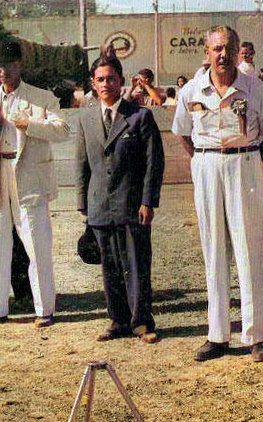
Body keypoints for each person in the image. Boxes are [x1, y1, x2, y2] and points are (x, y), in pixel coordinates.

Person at [173, 25, 263, 363]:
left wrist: (247, 163)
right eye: (217, 48)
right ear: (207, 52)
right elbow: (183, 133)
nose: (223, 54)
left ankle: (257, 336)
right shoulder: (191, 90)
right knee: (214, 249)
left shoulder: (255, 88)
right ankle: (217, 335)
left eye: (229, 48)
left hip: (244, 162)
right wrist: (206, 160)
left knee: (250, 249)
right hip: (206, 165)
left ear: (237, 51)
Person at [75, 55, 165, 343]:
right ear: (93, 84)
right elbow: (81, 164)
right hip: (100, 204)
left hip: (132, 204)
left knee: (136, 264)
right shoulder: (85, 118)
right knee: (110, 267)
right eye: (100, 79)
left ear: (121, 81)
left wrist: (148, 201)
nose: (105, 84)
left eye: (111, 78)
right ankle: (118, 320)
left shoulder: (139, 116)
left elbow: (153, 163)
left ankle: (141, 322)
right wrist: (83, 204)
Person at [0, 38, 70, 327]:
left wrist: (29, 124)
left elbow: (63, 130)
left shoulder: (41, 97)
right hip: (1, 173)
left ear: (19, 65)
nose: (3, 70)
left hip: (29, 177)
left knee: (37, 245)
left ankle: (44, 309)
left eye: (8, 64)